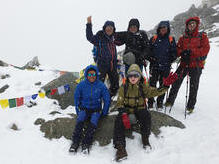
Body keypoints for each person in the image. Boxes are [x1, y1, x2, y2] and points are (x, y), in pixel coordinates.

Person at [113, 64, 177, 161]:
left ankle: (145, 139)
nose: (133, 78)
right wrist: (122, 111)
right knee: (118, 121)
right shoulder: (124, 87)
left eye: (136, 75)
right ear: (128, 76)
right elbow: (120, 101)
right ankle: (120, 148)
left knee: (146, 116)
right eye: (131, 75)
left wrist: (165, 86)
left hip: (140, 109)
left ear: (139, 76)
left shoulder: (143, 86)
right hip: (128, 110)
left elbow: (154, 92)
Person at [165, 17, 210, 114]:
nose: (192, 25)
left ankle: (190, 106)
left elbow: (205, 49)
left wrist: (192, 52)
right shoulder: (183, 38)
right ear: (187, 26)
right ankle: (170, 101)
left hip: (196, 65)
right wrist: (183, 52)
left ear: (196, 25)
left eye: (193, 23)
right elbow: (178, 49)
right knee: (176, 82)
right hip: (184, 64)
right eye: (190, 24)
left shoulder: (202, 36)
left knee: (194, 86)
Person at [69, 65, 110, 154]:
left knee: (93, 123)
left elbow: (107, 99)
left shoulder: (101, 85)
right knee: (80, 120)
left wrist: (104, 112)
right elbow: (76, 98)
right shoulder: (81, 85)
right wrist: (77, 110)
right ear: (86, 75)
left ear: (96, 75)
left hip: (96, 110)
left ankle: (86, 144)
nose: (92, 76)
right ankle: (75, 143)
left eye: (94, 74)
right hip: (84, 108)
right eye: (90, 74)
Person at [86, 16, 119, 97]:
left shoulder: (114, 39)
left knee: (115, 85)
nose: (109, 29)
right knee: (98, 85)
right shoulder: (100, 37)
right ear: (104, 28)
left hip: (112, 65)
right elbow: (89, 37)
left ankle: (108, 98)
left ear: (113, 29)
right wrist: (89, 24)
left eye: (111, 28)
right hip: (102, 65)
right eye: (108, 27)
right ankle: (97, 100)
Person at [148, 21, 177, 110]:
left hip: (166, 67)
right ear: (159, 29)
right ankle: (150, 102)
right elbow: (149, 50)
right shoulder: (154, 38)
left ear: (167, 29)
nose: (163, 29)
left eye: (165, 28)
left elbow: (174, 52)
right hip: (154, 66)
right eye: (162, 28)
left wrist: (171, 58)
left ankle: (160, 102)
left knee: (164, 84)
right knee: (152, 85)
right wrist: (150, 58)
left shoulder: (171, 39)